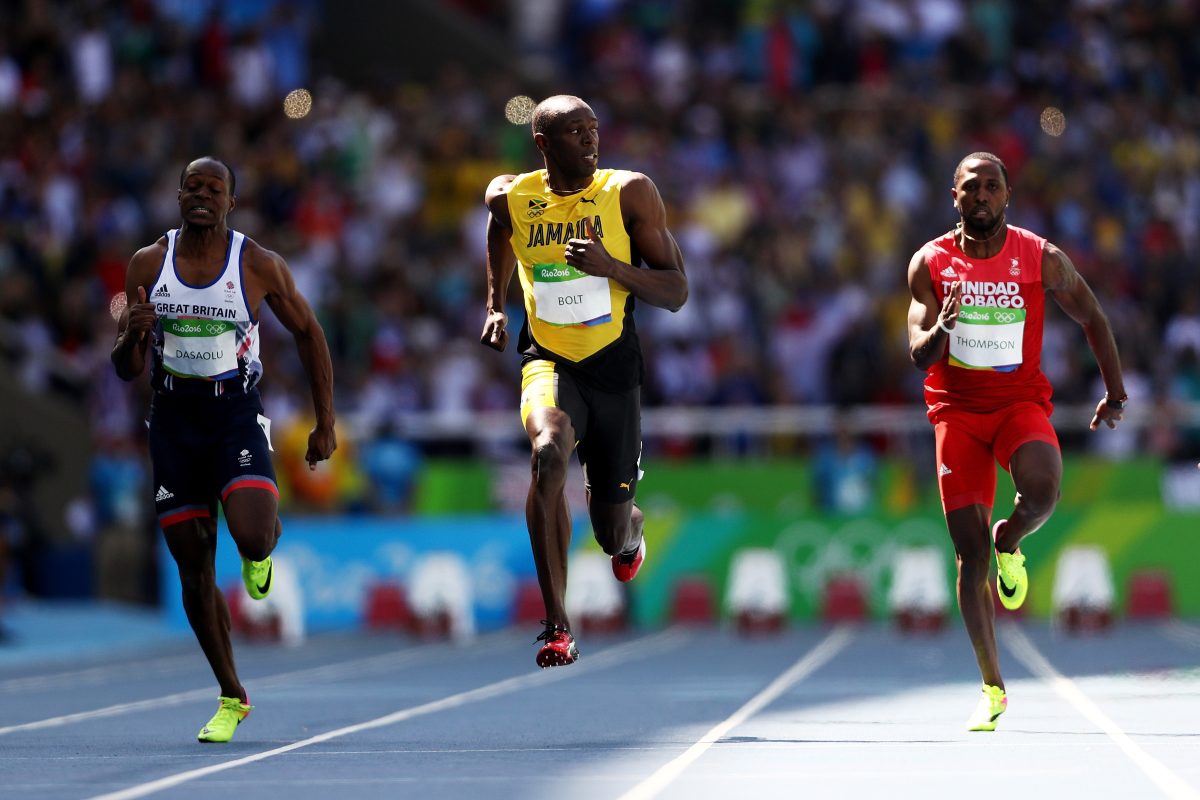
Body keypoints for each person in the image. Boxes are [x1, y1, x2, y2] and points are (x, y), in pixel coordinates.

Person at [112, 157, 336, 742]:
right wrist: (134, 332)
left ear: (231, 202)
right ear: (179, 194)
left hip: (234, 413)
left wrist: (324, 423)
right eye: (193, 187)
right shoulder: (146, 264)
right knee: (193, 567)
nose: (203, 196)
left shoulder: (257, 264)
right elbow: (124, 367)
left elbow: (310, 333)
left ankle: (259, 556)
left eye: (215, 189)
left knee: (254, 533)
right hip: (172, 420)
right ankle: (231, 694)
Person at [906, 152, 1126, 731]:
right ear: (954, 197)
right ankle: (994, 687)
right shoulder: (929, 263)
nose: (982, 195)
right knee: (967, 555)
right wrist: (942, 328)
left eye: (992, 186)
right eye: (971, 187)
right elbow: (916, 352)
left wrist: (1117, 392)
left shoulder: (1039, 257)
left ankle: (1012, 537)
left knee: (1045, 493)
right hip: (957, 415)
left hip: (1018, 405)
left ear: (1007, 196)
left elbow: (1093, 317)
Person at [480, 95, 687, 668]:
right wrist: (496, 305)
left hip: (615, 371)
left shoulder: (629, 192)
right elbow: (500, 228)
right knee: (547, 455)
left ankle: (631, 529)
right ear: (543, 143)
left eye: (594, 129)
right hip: (549, 360)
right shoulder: (511, 195)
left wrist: (612, 268)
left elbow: (676, 290)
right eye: (575, 133)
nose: (590, 141)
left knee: (610, 532)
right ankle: (557, 626)